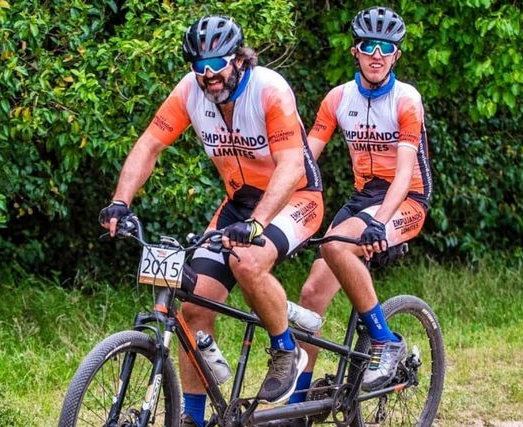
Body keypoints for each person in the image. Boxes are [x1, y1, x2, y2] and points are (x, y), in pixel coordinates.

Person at [98, 15, 325, 427]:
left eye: (216, 64)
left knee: (247, 261)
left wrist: (258, 224)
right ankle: (195, 418)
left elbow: (291, 166)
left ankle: (285, 349)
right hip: (238, 202)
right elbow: (149, 145)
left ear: (238, 59)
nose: (208, 75)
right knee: (194, 304)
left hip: (294, 196)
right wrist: (120, 201)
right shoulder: (190, 92)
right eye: (199, 66)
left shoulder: (269, 90)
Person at [286, 5, 433, 411]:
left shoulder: (407, 100)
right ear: (356, 50)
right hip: (362, 197)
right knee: (312, 293)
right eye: (369, 45)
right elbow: (303, 162)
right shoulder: (338, 99)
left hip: (405, 199)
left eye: (386, 47)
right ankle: (298, 407)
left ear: (396, 55)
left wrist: (380, 223)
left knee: (336, 246)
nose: (377, 54)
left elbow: (404, 174)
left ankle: (387, 341)